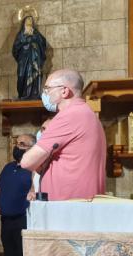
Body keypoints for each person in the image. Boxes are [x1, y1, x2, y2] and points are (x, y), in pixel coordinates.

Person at [20, 69, 106, 201]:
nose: (45, 94)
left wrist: (39, 162)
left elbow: (27, 162)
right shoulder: (88, 114)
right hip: (81, 204)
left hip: (67, 206)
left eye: (47, 88)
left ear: (64, 91)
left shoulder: (69, 116)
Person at [12, 15, 47, 100]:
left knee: (35, 75)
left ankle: (35, 94)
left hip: (35, 58)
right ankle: (23, 94)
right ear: (24, 21)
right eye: (28, 19)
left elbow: (43, 43)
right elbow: (15, 48)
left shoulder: (36, 33)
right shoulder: (20, 34)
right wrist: (25, 40)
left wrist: (34, 39)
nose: (30, 21)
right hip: (24, 60)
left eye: (31, 19)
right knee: (21, 76)